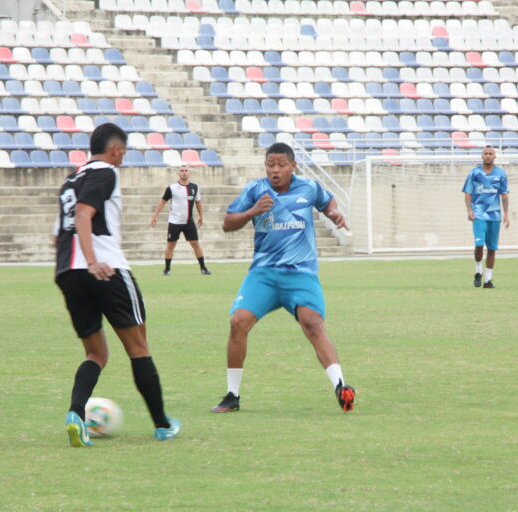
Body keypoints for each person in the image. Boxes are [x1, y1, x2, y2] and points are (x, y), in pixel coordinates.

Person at [53, 123, 181, 447]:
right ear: (117, 150)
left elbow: (59, 232)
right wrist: (94, 260)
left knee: (96, 353)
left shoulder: (71, 180)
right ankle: (162, 424)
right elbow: (84, 214)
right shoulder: (106, 172)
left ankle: (75, 415)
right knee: (138, 347)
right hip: (105, 268)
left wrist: (78, 266)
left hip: (68, 273)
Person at [210, 142, 356, 414]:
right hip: (263, 275)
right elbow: (228, 223)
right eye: (270, 165)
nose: (274, 170)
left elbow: (328, 201)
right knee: (237, 322)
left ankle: (341, 387)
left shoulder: (308, 187)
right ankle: (232, 395)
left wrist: (334, 212)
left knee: (313, 324)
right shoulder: (255, 190)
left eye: (281, 165)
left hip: (300, 273)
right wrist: (252, 212)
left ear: (292, 166)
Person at [150, 164, 211, 276]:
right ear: (178, 173)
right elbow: (163, 201)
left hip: (189, 221)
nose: (184, 172)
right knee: (171, 245)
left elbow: (198, 202)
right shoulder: (172, 188)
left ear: (189, 173)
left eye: (186, 170)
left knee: (195, 244)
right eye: (182, 170)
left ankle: (203, 268)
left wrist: (201, 216)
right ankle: (167, 269)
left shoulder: (195, 187)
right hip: (174, 222)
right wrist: (155, 216)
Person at [462, 146, 510, 289]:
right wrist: (469, 210)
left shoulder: (501, 174)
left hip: (495, 215)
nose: (488, 156)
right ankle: (478, 271)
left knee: (492, 248)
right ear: (482, 156)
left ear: (495, 156)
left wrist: (506, 214)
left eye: (491, 154)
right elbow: (467, 193)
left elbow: (505, 195)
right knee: (479, 244)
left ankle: (488, 280)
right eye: (485, 153)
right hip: (478, 214)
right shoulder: (475, 173)